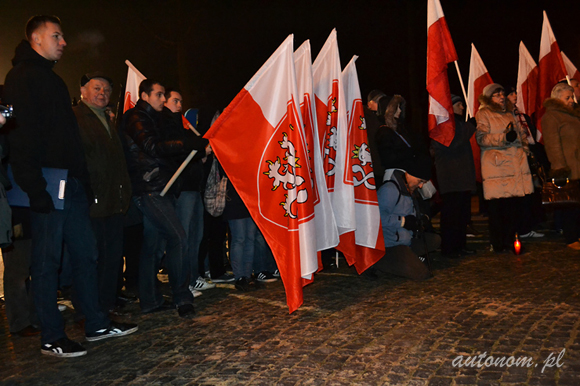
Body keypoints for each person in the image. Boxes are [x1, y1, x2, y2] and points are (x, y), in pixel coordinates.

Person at [4, 15, 137, 357]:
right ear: (36, 38)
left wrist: (82, 177)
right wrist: (35, 189)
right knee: (47, 262)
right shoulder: (21, 78)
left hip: (72, 184)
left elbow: (67, 139)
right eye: (56, 36)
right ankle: (51, 335)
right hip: (48, 185)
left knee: (86, 254)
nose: (63, 42)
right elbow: (20, 137)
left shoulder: (51, 78)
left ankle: (96, 323)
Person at [122, 79, 208, 318]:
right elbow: (152, 146)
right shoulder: (136, 117)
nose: (163, 99)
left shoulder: (155, 119)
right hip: (150, 188)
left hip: (162, 187)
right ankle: (182, 297)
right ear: (145, 95)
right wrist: (187, 143)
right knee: (178, 237)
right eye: (159, 95)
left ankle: (150, 300)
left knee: (154, 245)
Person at [73, 72, 132, 315]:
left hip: (114, 201)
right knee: (90, 260)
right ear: (83, 92)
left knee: (112, 258)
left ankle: (105, 307)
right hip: (92, 203)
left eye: (106, 89)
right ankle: (88, 311)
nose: (102, 93)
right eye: (96, 88)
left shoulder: (109, 119)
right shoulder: (76, 117)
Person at [162, 88, 214, 296]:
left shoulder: (181, 124)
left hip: (194, 187)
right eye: (175, 101)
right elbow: (178, 151)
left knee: (196, 235)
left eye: (181, 101)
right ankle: (183, 283)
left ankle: (192, 278)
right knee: (183, 236)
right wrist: (199, 150)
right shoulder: (167, 124)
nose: (179, 105)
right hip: (182, 189)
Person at [475, 83, 533, 253]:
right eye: (496, 94)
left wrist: (525, 150)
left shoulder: (510, 113)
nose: (501, 96)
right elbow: (482, 139)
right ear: (488, 98)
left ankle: (510, 240)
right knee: (498, 208)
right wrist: (504, 138)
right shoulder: (483, 113)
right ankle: (498, 243)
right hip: (498, 168)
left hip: (515, 166)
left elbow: (521, 135)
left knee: (513, 207)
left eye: (502, 93)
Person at [373, 152, 439, 280]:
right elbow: (377, 218)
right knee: (421, 274)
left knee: (435, 240)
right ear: (409, 174)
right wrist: (403, 222)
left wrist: (420, 219)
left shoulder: (408, 190)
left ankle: (408, 258)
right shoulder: (390, 189)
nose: (420, 186)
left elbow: (410, 214)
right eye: (420, 181)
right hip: (390, 244)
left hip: (405, 239)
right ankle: (378, 262)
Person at [431, 95, 477, 258]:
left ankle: (460, 246)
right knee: (452, 215)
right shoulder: (443, 126)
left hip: (461, 179)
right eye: (459, 105)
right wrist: (469, 127)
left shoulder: (457, 125)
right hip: (451, 179)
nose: (462, 108)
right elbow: (452, 142)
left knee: (462, 215)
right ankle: (449, 248)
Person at [541, 82, 580, 249]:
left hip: (578, 164)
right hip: (569, 168)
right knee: (570, 205)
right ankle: (571, 238)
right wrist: (560, 168)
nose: (571, 100)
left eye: (572, 96)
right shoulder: (552, 117)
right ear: (557, 99)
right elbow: (552, 144)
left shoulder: (574, 115)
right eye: (567, 97)